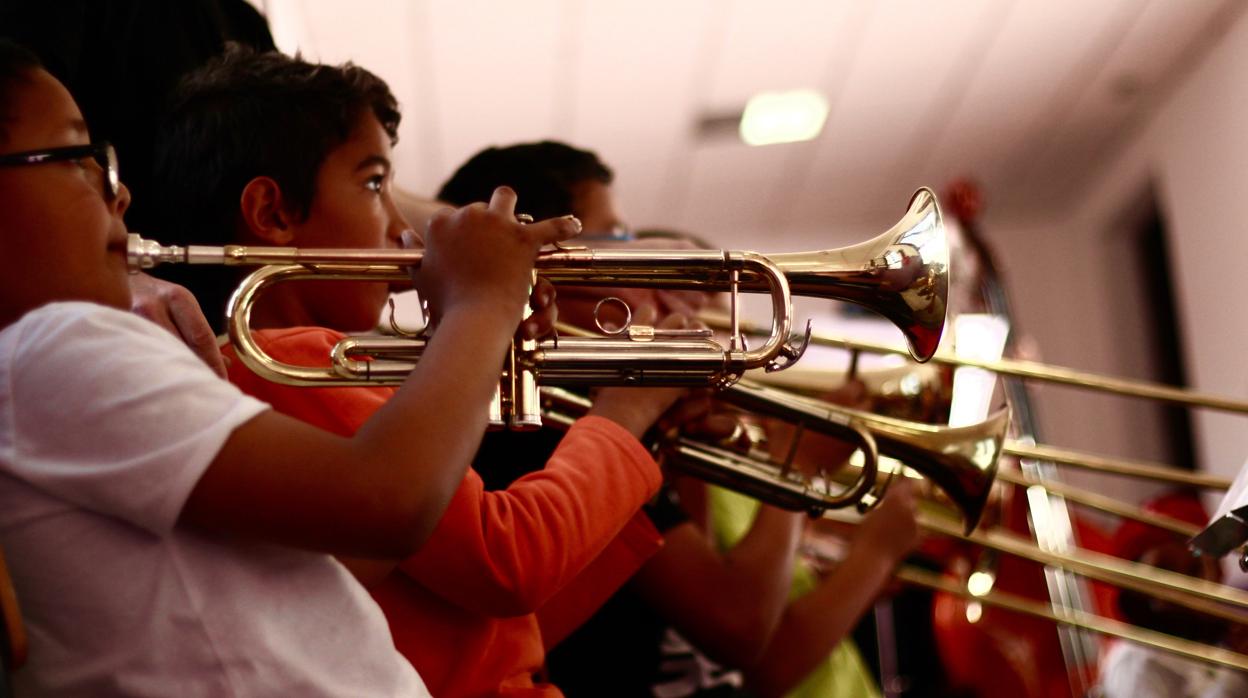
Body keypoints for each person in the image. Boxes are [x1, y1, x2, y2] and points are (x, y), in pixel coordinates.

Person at [0, 40, 579, 696]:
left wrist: (463, 339)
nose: (119, 192)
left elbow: (352, 558)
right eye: (77, 158)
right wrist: (484, 304)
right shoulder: (51, 346)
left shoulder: (41, 365)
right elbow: (387, 504)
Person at [149, 47, 693, 697]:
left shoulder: (316, 366)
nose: (404, 228)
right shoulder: (288, 359)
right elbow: (507, 562)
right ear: (273, 213)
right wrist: (627, 413)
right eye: (375, 183)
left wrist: (644, 434)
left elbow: (499, 625)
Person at [439, 140, 921, 698]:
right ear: (543, 257)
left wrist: (673, 449)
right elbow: (737, 627)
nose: (638, 256)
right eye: (617, 236)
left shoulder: (583, 409)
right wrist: (800, 471)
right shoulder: (545, 420)